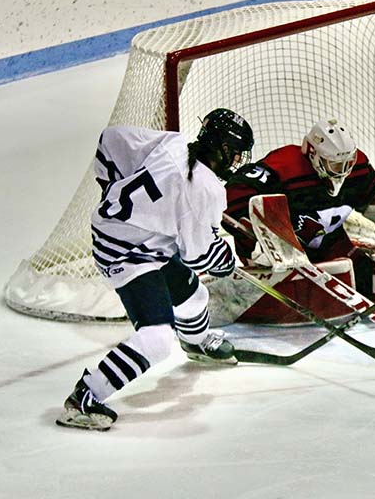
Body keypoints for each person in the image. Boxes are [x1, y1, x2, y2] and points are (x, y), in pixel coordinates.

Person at [56, 108, 255, 431]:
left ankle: (195, 342)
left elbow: (111, 140)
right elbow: (199, 257)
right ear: (222, 148)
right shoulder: (206, 190)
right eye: (235, 154)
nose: (236, 161)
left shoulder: (174, 144)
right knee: (158, 339)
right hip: (126, 254)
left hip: (140, 241)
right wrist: (225, 259)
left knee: (195, 297)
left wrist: (114, 192)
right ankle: (86, 397)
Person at [222, 118, 375, 306]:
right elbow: (234, 195)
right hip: (278, 251)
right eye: (335, 165)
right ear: (314, 155)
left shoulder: (358, 168)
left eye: (347, 163)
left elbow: (371, 200)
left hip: (327, 242)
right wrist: (255, 236)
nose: (343, 170)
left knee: (365, 270)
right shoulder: (286, 166)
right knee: (288, 285)